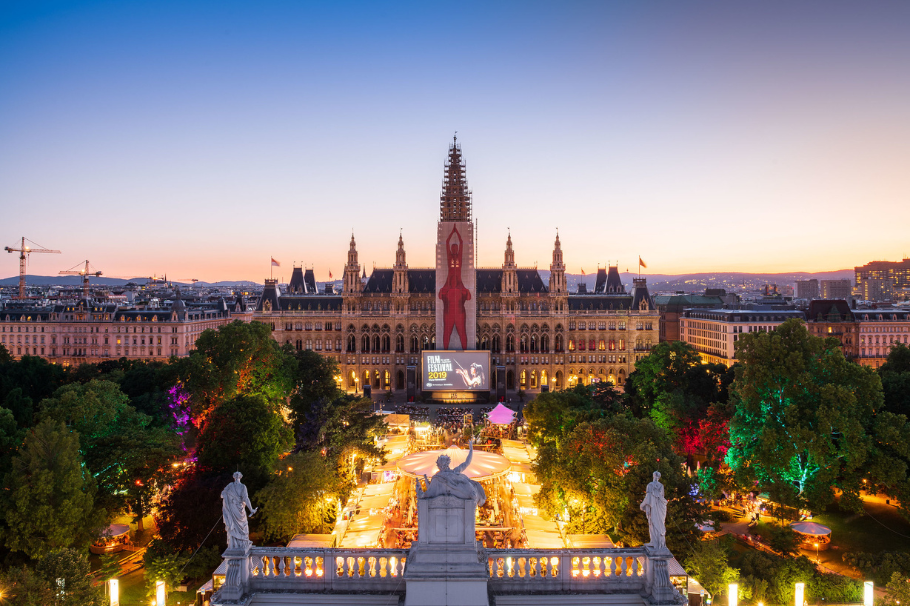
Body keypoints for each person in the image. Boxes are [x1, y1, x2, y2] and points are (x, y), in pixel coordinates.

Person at [416, 438, 486, 506]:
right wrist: (471, 450)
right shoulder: (454, 472)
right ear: (448, 464)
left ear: (438, 466)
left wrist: (423, 487)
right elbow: (467, 463)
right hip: (469, 497)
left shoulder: (436, 479)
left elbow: (429, 492)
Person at [221, 471, 258, 550]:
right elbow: (246, 498)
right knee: (242, 526)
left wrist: (228, 497)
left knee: (234, 526)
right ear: (241, 477)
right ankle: (240, 543)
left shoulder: (230, 486)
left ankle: (235, 544)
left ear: (234, 477)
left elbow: (222, 494)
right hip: (236, 509)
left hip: (233, 508)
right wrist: (251, 509)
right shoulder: (242, 487)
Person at [639, 471, 667, 551]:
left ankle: (654, 542)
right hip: (661, 508)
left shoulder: (650, 485)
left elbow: (648, 497)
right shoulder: (661, 486)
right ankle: (658, 543)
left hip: (654, 508)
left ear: (653, 476)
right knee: (659, 524)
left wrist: (642, 505)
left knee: (653, 524)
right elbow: (662, 497)